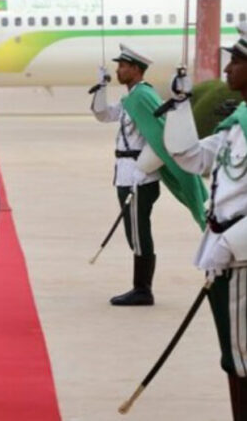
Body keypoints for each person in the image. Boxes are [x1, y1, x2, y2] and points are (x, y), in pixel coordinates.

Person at [163, 24, 247, 419]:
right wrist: (180, 107)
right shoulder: (238, 124)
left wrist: (230, 244)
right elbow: (191, 157)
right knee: (232, 356)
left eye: (237, 61)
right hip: (224, 255)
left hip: (239, 255)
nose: (227, 69)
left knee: (242, 358)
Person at [90, 44, 207, 306]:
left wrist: (142, 169)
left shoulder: (142, 96)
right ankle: (141, 288)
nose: (118, 70)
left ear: (136, 69)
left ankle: (142, 290)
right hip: (127, 174)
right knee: (135, 232)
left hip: (139, 176)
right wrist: (101, 86)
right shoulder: (131, 98)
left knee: (139, 232)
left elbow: (161, 134)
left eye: (123, 66)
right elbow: (103, 115)